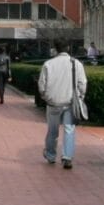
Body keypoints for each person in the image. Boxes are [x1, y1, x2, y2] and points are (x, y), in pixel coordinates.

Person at [37, 40, 87, 170]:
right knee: (69, 129)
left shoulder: (48, 64)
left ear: (56, 49)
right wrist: (80, 97)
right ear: (68, 48)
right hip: (70, 102)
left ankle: (50, 155)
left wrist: (46, 97)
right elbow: (82, 84)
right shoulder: (76, 64)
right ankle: (67, 157)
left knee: (52, 131)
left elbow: (42, 85)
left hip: (53, 103)